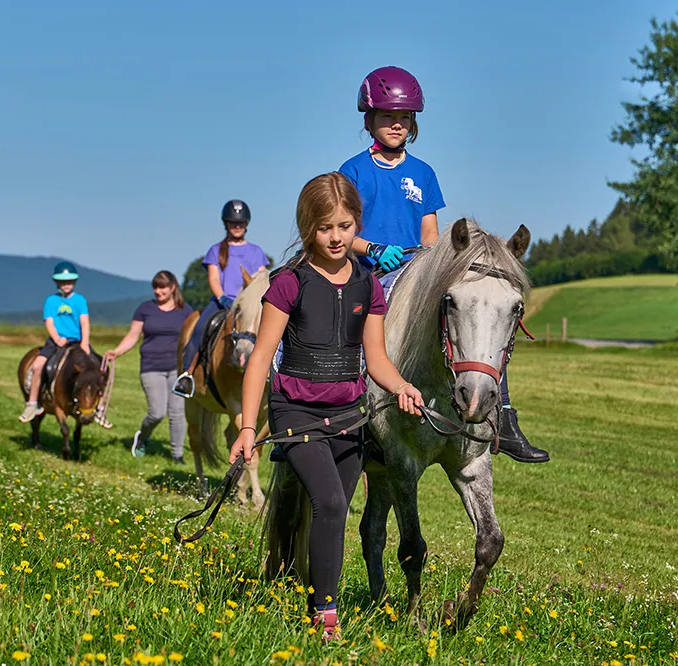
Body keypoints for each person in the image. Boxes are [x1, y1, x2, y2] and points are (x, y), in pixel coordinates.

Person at [229, 172, 424, 641]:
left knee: (333, 512)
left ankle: (318, 596)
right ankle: (324, 616)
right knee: (333, 503)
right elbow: (260, 359)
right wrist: (249, 428)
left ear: (357, 224)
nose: (336, 237)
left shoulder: (369, 286)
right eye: (324, 227)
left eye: (344, 225)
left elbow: (375, 358)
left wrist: (402, 386)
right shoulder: (289, 283)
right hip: (296, 412)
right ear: (307, 228)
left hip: (348, 414)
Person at [339, 66, 549, 464]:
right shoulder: (353, 171)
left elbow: (430, 236)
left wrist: (432, 265)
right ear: (369, 120)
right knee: (344, 332)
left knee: (479, 331)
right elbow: (341, 231)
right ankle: (347, 418)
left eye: (404, 117)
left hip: (414, 273)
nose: (396, 124)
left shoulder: (424, 173)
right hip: (368, 272)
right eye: (387, 116)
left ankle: (503, 417)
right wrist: (372, 249)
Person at [172, 200, 269, 397]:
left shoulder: (256, 252)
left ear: (246, 225)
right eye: (233, 223)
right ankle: (187, 376)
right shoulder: (215, 251)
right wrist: (223, 298)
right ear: (226, 224)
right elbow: (214, 278)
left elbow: (261, 279)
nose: (237, 226)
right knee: (199, 328)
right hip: (222, 302)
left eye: (240, 223)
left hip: (249, 306)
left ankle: (274, 374)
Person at [106, 271, 193, 462]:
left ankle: (177, 455)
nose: (158, 291)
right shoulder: (145, 309)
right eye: (155, 287)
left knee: (177, 412)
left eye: (162, 287)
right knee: (157, 412)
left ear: (172, 288)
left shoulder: (185, 311)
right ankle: (142, 438)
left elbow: (191, 340)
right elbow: (132, 336)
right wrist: (117, 352)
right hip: (151, 366)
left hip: (176, 369)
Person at [19, 261, 91, 422]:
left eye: (70, 281)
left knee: (96, 368)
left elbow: (84, 322)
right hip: (55, 341)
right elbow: (49, 322)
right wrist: (57, 339)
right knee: (37, 366)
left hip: (78, 342)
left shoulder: (80, 301)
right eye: (63, 281)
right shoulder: (51, 301)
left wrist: (85, 342)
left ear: (75, 282)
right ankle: (32, 403)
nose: (66, 284)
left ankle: (98, 408)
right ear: (57, 282)